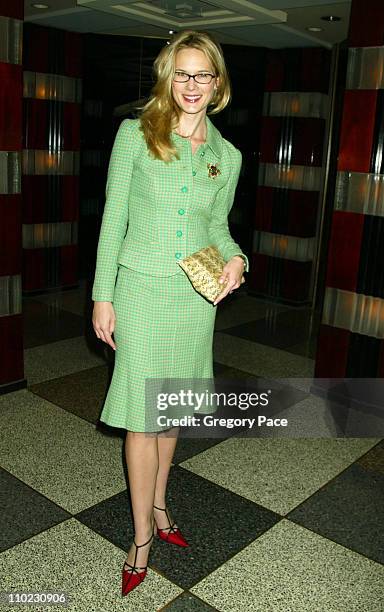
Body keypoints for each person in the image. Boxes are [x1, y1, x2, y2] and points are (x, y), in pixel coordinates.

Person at [91, 29, 249, 597]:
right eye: (181, 73)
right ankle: (140, 539)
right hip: (139, 289)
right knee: (143, 414)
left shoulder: (225, 156)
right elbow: (113, 219)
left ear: (217, 82)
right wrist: (101, 294)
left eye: (202, 74)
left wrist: (237, 260)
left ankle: (160, 505)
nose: (191, 85)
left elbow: (219, 228)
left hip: (192, 296)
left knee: (171, 409)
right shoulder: (135, 135)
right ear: (167, 77)